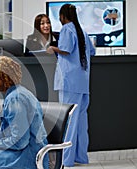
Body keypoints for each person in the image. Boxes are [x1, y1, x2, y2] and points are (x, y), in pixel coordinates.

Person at [47, 4, 96, 167]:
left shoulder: (67, 29)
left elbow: (66, 50)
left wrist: (52, 48)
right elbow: (92, 52)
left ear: (62, 16)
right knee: (81, 122)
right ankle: (81, 157)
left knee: (68, 121)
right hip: (82, 83)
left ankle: (66, 160)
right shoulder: (82, 31)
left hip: (69, 83)